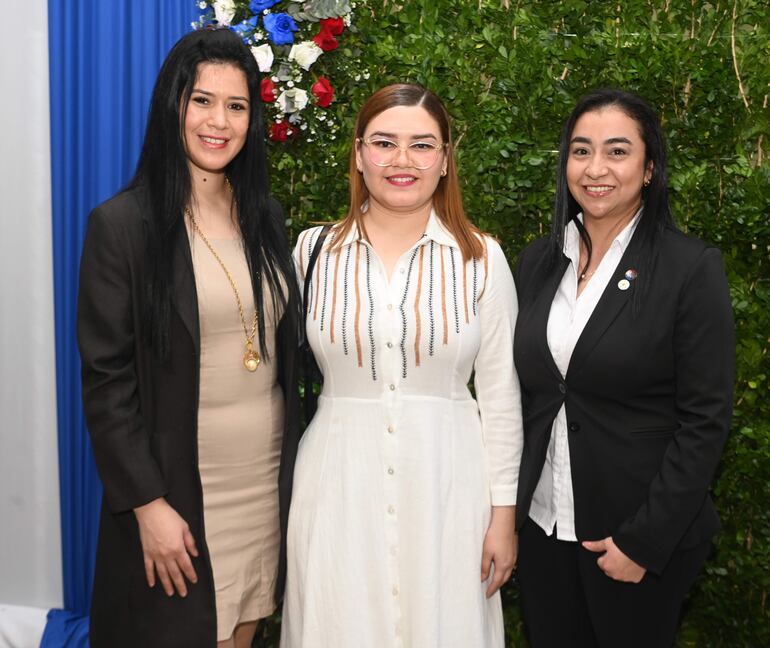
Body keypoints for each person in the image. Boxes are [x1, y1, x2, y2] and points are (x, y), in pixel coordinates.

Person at [77, 28, 301, 648]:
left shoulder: (267, 219)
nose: (219, 122)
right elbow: (106, 381)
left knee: (245, 632)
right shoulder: (123, 227)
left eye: (236, 106)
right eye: (202, 100)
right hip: (178, 492)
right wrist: (146, 503)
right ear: (172, 104)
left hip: (263, 483)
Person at [280, 84, 523, 648]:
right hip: (338, 487)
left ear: (444, 161)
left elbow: (502, 396)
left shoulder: (480, 257)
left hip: (448, 490)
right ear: (359, 154)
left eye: (422, 145)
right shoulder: (311, 252)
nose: (402, 160)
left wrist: (503, 517)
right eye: (385, 143)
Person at [512, 88, 735, 647]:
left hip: (633, 540)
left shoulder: (690, 268)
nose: (595, 169)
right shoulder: (539, 263)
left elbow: (705, 419)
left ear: (649, 166)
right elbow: (525, 396)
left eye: (617, 151)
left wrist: (645, 541)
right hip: (542, 530)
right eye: (581, 151)